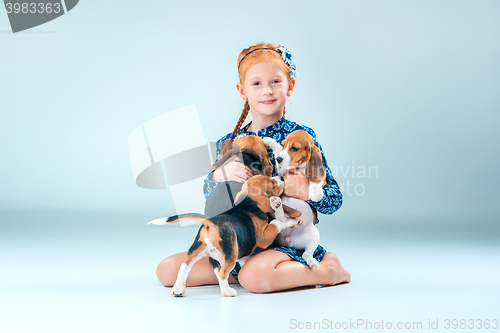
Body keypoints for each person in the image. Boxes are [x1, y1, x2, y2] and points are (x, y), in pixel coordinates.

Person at [156, 43, 351, 293]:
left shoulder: (300, 137)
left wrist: (305, 190)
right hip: (240, 238)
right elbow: (212, 199)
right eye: (256, 83)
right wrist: (218, 175)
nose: (267, 90)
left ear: (290, 85)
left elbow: (335, 199)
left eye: (275, 81)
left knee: (255, 278)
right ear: (242, 90)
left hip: (283, 241)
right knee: (167, 271)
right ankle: (241, 268)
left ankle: (329, 270)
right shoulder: (231, 141)